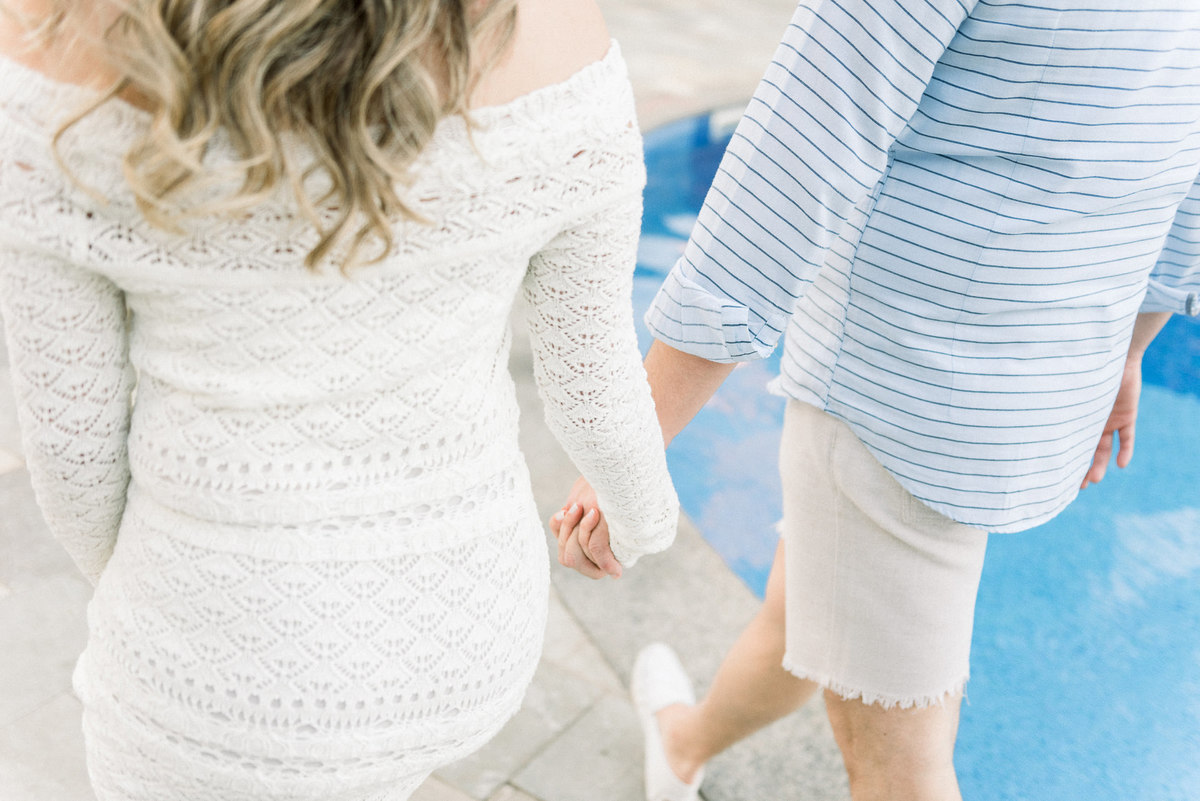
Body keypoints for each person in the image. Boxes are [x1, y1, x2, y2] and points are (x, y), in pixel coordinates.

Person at [0, 0, 679, 799]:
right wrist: (638, 523)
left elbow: (73, 452)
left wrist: (160, 584)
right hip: (461, 637)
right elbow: (596, 392)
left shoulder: (56, 39)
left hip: (204, 682)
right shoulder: (558, 30)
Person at [551, 2, 1200, 800]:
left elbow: (794, 164)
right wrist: (1130, 345)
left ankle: (683, 747)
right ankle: (683, 746)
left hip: (901, 386)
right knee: (818, 598)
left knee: (901, 768)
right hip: (1034, 387)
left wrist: (633, 441)